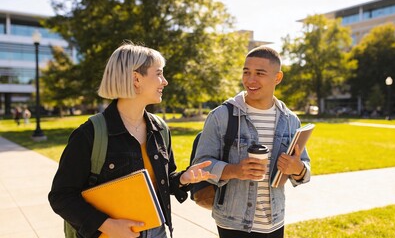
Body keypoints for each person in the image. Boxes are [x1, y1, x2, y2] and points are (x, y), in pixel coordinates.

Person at [48, 42, 216, 238]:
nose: (165, 81)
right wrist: (107, 225)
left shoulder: (160, 129)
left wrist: (183, 178)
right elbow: (61, 196)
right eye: (159, 73)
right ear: (136, 78)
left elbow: (162, 182)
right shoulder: (89, 134)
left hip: (158, 231)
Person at [193, 46, 311, 238]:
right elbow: (200, 165)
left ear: (277, 78)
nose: (250, 80)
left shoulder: (290, 120)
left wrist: (297, 169)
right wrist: (234, 171)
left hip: (274, 221)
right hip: (233, 223)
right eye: (246, 72)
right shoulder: (221, 116)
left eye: (259, 73)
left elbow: (305, 169)